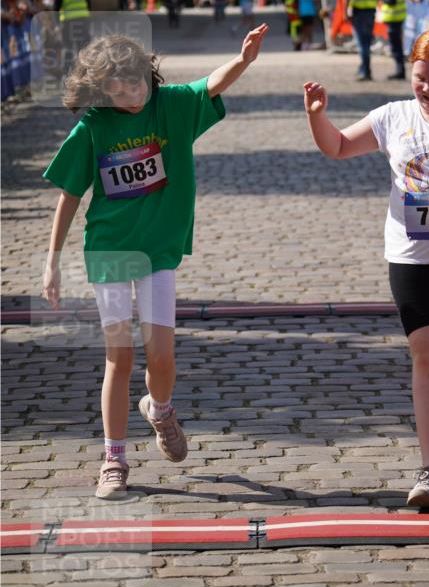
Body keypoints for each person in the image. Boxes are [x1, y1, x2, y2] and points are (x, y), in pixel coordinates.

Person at [42, 25, 269, 499]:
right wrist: (52, 261)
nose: (130, 95)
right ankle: (114, 459)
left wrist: (244, 59)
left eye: (136, 83)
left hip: (159, 250)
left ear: (149, 74)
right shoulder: (94, 127)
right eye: (117, 89)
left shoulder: (173, 105)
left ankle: (161, 410)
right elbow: (68, 194)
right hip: (109, 249)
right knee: (118, 358)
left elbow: (211, 84)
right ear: (100, 92)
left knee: (161, 356)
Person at [304, 28, 429, 507]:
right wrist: (318, 117)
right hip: (411, 255)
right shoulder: (393, 117)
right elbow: (338, 147)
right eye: (419, 79)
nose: (427, 89)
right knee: (428, 356)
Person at [379, 0, 407, 80]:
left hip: (393, 17)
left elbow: (391, 0)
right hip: (398, 17)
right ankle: (400, 70)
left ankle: (399, 71)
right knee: (397, 45)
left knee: (395, 46)